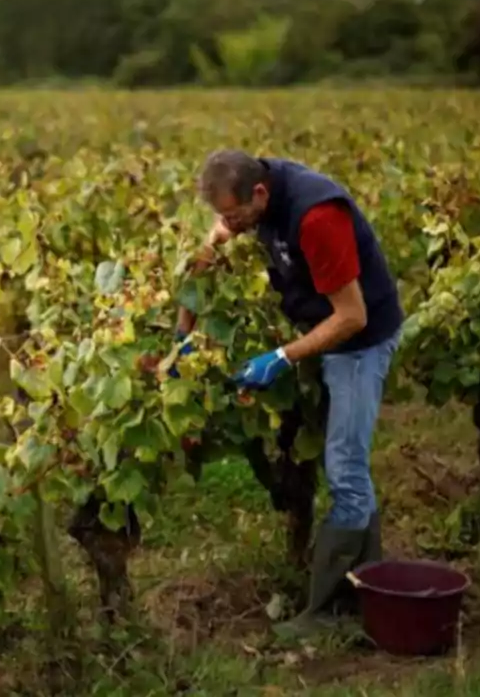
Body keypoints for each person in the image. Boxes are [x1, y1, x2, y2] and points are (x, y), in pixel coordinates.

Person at [174, 149, 403, 639]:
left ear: (259, 194)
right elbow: (208, 253)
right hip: (314, 322)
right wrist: (182, 335)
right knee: (342, 462)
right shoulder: (252, 194)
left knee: (344, 466)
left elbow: (351, 317)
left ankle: (332, 612)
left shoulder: (317, 216)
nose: (229, 226)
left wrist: (282, 357)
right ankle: (366, 583)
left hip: (359, 341)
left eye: (235, 216)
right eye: (223, 216)